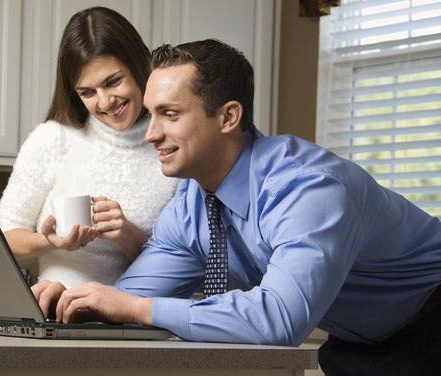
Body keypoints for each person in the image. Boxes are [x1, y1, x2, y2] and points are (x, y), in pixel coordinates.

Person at [31, 39, 441, 376]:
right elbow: (129, 299)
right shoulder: (190, 204)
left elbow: (279, 319)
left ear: (228, 116)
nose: (152, 134)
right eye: (151, 114)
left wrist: (135, 307)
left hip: (431, 324)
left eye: (169, 115)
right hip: (355, 341)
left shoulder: (309, 188)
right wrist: (71, 304)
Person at [0, 7, 178, 289]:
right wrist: (49, 241)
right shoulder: (53, 139)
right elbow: (2, 238)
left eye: (113, 82)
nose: (104, 103)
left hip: (134, 322)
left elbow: (182, 265)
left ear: (140, 65)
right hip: (56, 311)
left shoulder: (173, 149)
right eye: (87, 92)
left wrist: (128, 235)